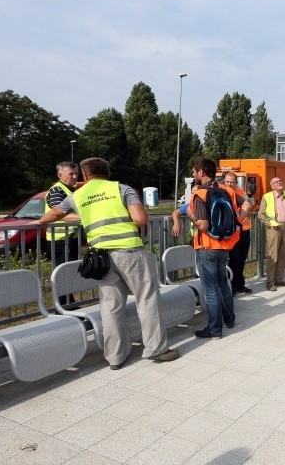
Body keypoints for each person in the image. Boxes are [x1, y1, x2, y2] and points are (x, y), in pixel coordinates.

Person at [38, 157, 180, 369]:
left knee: (110, 306)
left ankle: (115, 357)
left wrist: (38, 222)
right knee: (147, 299)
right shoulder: (121, 189)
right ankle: (156, 349)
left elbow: (55, 213)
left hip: (101, 257)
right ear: (108, 173)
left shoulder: (78, 195)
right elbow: (140, 219)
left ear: (86, 176)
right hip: (129, 251)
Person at [190, 158, 251, 339]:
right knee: (223, 282)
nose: (193, 175)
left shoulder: (200, 194)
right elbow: (247, 204)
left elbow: (202, 225)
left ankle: (214, 329)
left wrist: (190, 214)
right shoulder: (227, 190)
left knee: (210, 288)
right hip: (225, 245)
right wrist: (239, 220)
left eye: (194, 171)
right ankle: (230, 319)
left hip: (207, 246)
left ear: (201, 172)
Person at [44, 161, 80, 306]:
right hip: (59, 239)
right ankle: (64, 307)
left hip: (69, 239)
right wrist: (86, 217)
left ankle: (69, 305)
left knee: (68, 274)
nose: (75, 176)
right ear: (60, 175)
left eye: (76, 173)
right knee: (63, 274)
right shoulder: (56, 190)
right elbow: (60, 214)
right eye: (71, 173)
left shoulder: (69, 191)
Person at [257, 176, 285, 291]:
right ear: (272, 186)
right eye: (276, 182)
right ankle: (270, 282)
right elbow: (261, 214)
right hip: (274, 228)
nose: (279, 182)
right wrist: (269, 224)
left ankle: (279, 279)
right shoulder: (268, 196)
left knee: (283, 255)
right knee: (273, 256)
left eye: (280, 181)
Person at [224, 172, 255, 295]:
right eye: (227, 181)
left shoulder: (241, 193)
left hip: (245, 230)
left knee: (242, 259)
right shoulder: (223, 194)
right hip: (233, 231)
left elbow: (249, 206)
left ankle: (240, 284)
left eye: (231, 182)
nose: (229, 184)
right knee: (234, 260)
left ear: (236, 183)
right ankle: (232, 286)